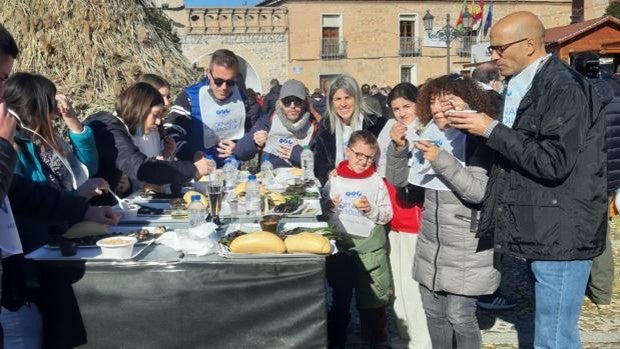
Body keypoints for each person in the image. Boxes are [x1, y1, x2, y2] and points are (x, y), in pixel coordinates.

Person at [447, 12, 607, 348]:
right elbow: (517, 145)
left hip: (563, 233)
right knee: (546, 332)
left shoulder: (565, 88)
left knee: (554, 338)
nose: (493, 56)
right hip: (543, 227)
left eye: (499, 48)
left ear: (530, 45)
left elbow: (553, 162)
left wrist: (490, 129)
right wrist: (474, 120)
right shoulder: (526, 84)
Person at [386, 74, 500, 349]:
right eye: (433, 102)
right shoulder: (430, 134)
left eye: (446, 102)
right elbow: (401, 181)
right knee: (434, 313)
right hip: (432, 244)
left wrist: (441, 159)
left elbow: (478, 192)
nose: (437, 108)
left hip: (466, 246)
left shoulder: (478, 141)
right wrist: (398, 149)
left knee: (460, 315)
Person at [85, 82, 214, 205]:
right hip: (92, 211)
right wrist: (193, 169)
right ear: (140, 109)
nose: (158, 122)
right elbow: (141, 168)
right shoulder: (109, 130)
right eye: (155, 115)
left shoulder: (125, 129)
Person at [321, 130, 393, 348]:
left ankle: (374, 336)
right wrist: (328, 206)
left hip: (370, 248)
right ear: (347, 151)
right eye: (358, 155)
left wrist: (371, 210)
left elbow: (387, 213)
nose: (363, 161)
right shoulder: (334, 179)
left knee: (373, 298)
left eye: (369, 157)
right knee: (340, 297)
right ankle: (337, 339)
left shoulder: (376, 181)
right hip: (342, 247)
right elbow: (324, 210)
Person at [376, 82, 430, 349]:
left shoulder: (424, 129)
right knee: (398, 282)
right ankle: (404, 334)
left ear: (417, 104)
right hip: (393, 214)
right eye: (396, 108)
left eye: (406, 107)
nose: (401, 113)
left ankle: (422, 340)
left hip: (413, 214)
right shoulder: (387, 130)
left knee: (414, 282)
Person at [572, 52, 617, 313]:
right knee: (602, 233)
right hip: (608, 179)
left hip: (582, 179)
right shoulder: (615, 97)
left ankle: (577, 291)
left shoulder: (575, 100)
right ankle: (602, 293)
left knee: (576, 235)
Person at [164, 49, 258, 167]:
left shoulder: (240, 97)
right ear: (208, 72)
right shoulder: (190, 97)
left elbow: (250, 131)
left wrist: (240, 148)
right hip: (198, 172)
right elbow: (170, 133)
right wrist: (192, 155)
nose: (224, 87)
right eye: (218, 81)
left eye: (230, 82)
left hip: (231, 170)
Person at [310, 74, 386, 185]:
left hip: (368, 186)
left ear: (356, 99)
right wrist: (328, 174)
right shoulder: (325, 127)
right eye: (338, 99)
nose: (343, 104)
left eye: (347, 97)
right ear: (331, 102)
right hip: (337, 188)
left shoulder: (375, 125)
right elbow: (318, 163)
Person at [235, 80, 317, 168]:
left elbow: (320, 162)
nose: (292, 106)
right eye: (287, 101)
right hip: (271, 176)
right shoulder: (268, 121)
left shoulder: (314, 126)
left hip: (300, 178)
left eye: (298, 101)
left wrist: (297, 154)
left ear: (304, 103)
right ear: (280, 103)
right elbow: (239, 152)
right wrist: (254, 143)